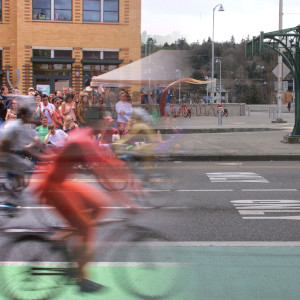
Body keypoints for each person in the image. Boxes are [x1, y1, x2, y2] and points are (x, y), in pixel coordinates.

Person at [31, 128, 141, 292]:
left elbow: (109, 165)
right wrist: (127, 202)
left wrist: (131, 186)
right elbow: (102, 174)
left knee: (99, 206)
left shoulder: (86, 139)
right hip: (51, 187)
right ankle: (81, 278)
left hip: (61, 183)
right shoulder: (81, 142)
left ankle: (68, 238)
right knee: (87, 227)